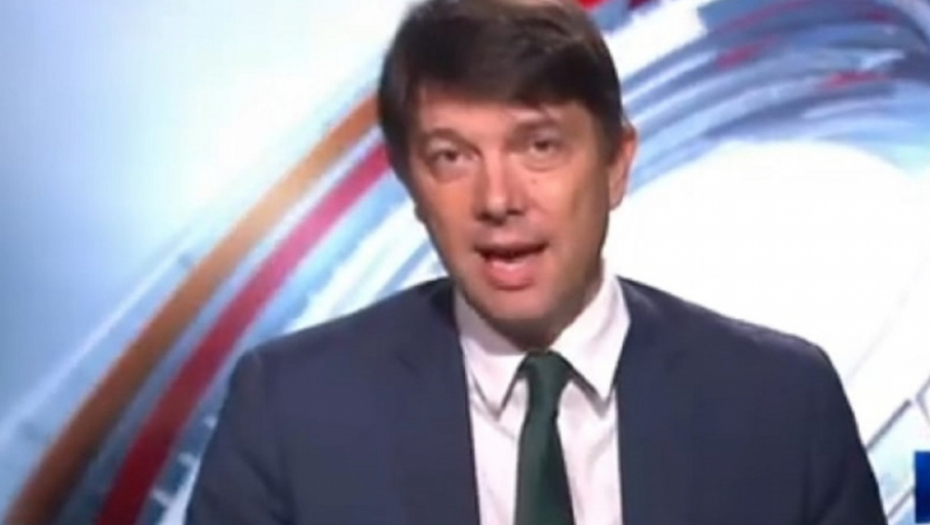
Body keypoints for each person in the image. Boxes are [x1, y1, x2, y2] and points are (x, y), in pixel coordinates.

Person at [186, 0, 888, 523]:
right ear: (411, 185)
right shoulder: (291, 411)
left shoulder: (783, 406)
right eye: (452, 156)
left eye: (540, 146)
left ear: (616, 163)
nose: (497, 198)